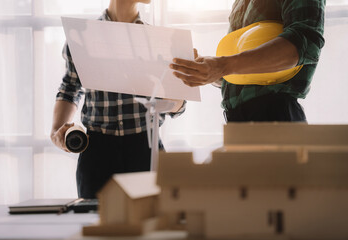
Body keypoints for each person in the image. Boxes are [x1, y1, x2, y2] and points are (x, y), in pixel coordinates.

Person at [50, 0, 186, 199]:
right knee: (99, 226)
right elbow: (70, 89)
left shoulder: (158, 40)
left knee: (152, 226)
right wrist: (57, 130)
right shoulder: (82, 36)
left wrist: (172, 94)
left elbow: (179, 106)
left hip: (146, 150)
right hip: (96, 152)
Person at [170, 0, 325, 122]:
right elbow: (244, 75)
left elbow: (304, 43)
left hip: (276, 115)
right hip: (236, 119)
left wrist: (222, 66)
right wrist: (208, 71)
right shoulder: (240, 2)